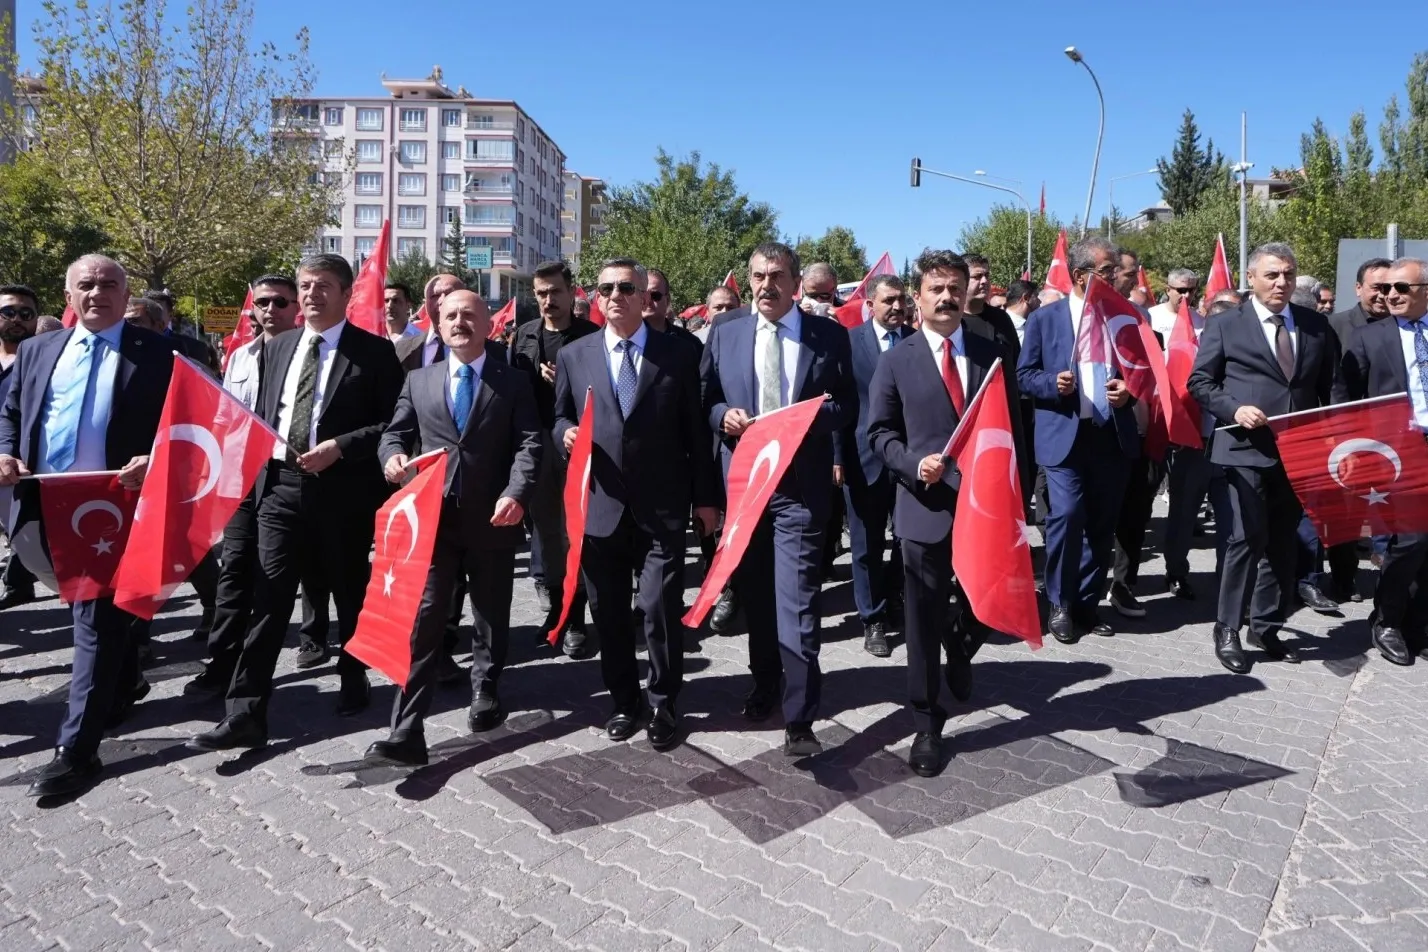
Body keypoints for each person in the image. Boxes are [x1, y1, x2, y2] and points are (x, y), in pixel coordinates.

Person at [189, 253, 404, 751]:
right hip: (281, 489)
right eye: (305, 286)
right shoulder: (278, 345)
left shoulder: (373, 353)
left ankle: (353, 674)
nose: (311, 295)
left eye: (324, 286)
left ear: (347, 294)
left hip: (343, 492)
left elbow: (393, 423)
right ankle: (245, 712)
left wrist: (342, 446)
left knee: (348, 591)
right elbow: (263, 415)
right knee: (268, 598)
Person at [0, 255, 172, 796]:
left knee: (93, 621)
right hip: (43, 503)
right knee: (100, 617)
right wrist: (5, 451)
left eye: (109, 284)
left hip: (115, 509)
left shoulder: (160, 353)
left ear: (126, 294)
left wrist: (157, 455)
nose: (98, 292)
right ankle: (124, 681)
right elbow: (10, 413)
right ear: (68, 295)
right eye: (87, 285)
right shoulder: (37, 349)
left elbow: (191, 424)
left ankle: (76, 751)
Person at [365, 291, 542, 765]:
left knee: (489, 612)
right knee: (424, 619)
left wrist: (516, 493)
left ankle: (485, 689)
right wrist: (392, 457)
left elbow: (529, 443)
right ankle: (406, 729)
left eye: (469, 315)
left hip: (493, 516)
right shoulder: (418, 380)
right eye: (450, 316)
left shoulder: (512, 381)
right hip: (432, 521)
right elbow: (395, 433)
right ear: (438, 325)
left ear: (488, 324)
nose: (459, 322)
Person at [554, 258, 720, 750]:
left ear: (645, 296)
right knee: (608, 615)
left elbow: (696, 434)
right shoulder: (575, 355)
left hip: (661, 508)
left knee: (660, 610)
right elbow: (558, 417)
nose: (615, 296)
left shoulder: (679, 354)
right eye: (606, 288)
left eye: (626, 287)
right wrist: (565, 434)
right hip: (600, 507)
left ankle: (665, 702)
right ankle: (625, 702)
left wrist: (706, 500)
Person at [868, 249, 1021, 777]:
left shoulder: (991, 353)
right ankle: (927, 721)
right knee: (921, 618)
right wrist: (914, 464)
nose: (948, 297)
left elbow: (1012, 426)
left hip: (985, 504)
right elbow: (878, 434)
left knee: (987, 601)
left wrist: (1017, 493)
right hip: (924, 505)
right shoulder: (897, 360)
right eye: (936, 288)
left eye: (955, 287)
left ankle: (960, 640)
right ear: (919, 297)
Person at [700, 242, 856, 756]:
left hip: (799, 490)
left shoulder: (828, 335)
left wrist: (805, 419)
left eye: (776, 276)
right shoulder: (725, 331)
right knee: (758, 600)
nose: (766, 285)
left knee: (798, 601)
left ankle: (800, 716)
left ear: (795, 282)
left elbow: (847, 407)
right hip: (745, 490)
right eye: (758, 276)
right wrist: (722, 415)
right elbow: (706, 399)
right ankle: (765, 681)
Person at [1187, 242, 1340, 674]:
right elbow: (1200, 382)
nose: (1281, 282)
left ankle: (1266, 626)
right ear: (1251, 278)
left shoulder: (1314, 324)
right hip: (1243, 448)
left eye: (1288, 274)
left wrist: (1334, 437)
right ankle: (1228, 627)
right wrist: (1234, 409)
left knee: (1282, 540)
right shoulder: (1226, 324)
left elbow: (1331, 387)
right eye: (1272, 275)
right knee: (1246, 537)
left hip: (1297, 452)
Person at [183, 275, 302, 699]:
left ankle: (286, 654)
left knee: (275, 576)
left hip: (286, 480)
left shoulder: (306, 355)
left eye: (280, 302)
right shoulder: (240, 357)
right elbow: (225, 417)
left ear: (296, 308)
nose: (271, 310)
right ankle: (221, 662)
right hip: (241, 481)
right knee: (234, 570)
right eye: (263, 302)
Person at [1017, 236, 1139, 643]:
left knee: (1102, 525)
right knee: (1067, 516)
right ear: (1079, 276)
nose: (1113, 278)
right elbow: (1024, 376)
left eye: (1114, 271)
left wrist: (1129, 390)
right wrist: (1052, 383)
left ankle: (1087, 605)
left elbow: (1141, 371)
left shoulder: (1122, 316)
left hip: (1110, 435)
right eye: (1105, 272)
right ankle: (1060, 602)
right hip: (1063, 436)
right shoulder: (1045, 319)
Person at [1336, 257, 1428, 665]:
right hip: (1399, 452)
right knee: (1411, 540)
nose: (1390, 294)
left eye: (1401, 288)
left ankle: (1417, 626)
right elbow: (1345, 396)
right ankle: (1387, 620)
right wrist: (1353, 448)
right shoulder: (1369, 338)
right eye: (1386, 287)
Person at [510, 260, 598, 654]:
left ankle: (577, 617)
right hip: (536, 446)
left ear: (571, 292)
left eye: (555, 292)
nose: (549, 300)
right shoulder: (524, 335)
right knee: (546, 534)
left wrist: (568, 381)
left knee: (575, 533)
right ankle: (557, 612)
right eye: (542, 293)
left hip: (578, 445)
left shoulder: (590, 336)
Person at [837, 274, 912, 657]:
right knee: (865, 546)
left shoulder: (917, 340)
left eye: (902, 300)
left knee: (908, 539)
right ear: (870, 304)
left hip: (910, 459)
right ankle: (872, 618)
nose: (897, 307)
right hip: (862, 458)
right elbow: (836, 403)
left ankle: (895, 595)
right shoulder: (850, 344)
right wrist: (837, 456)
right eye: (889, 300)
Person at [1162, 291, 1239, 599]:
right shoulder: (1188, 352)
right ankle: (1176, 572)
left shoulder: (1245, 356)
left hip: (1232, 447)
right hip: (1194, 448)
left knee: (1231, 521)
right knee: (1183, 517)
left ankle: (1229, 580)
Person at [0, 285, 41, 609]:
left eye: (25, 313)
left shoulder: (47, 361)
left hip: (23, 468)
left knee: (31, 536)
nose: (16, 319)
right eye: (8, 312)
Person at [962, 254, 1020, 364]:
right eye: (977, 276)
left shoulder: (1001, 318)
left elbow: (1016, 360)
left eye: (987, 275)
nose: (984, 281)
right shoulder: (953, 321)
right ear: (962, 280)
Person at [642, 268, 700, 350]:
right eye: (642, 295)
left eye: (655, 295)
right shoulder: (625, 340)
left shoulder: (689, 343)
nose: (648, 300)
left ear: (667, 300)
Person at [1148, 268, 1200, 338]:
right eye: (1182, 290)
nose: (1187, 295)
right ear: (1168, 290)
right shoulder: (1150, 316)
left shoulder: (1201, 321)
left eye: (1191, 290)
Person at [1003, 280, 1039, 345]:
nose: (1040, 301)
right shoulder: (1001, 325)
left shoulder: (1031, 325)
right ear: (1026, 298)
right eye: (1036, 296)